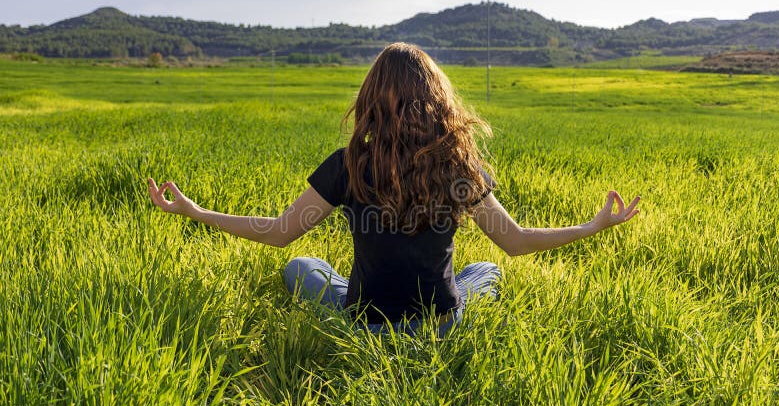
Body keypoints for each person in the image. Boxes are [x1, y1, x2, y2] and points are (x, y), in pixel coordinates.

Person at [148, 43, 640, 337]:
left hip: (368, 325)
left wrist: (197, 211)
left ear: (370, 100)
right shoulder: (457, 164)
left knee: (302, 267)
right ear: (436, 100)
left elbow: (278, 233)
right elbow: (516, 243)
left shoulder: (349, 164)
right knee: (485, 271)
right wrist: (593, 225)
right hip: (442, 326)